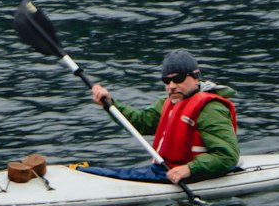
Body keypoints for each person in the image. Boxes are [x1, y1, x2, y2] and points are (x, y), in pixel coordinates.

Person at [90, 49, 238, 183]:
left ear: (195, 77)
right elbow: (141, 123)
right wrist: (110, 104)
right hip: (167, 172)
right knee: (99, 172)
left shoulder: (210, 108)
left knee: (111, 175)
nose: (172, 86)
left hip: (195, 174)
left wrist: (189, 168)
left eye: (178, 79)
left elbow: (227, 156)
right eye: (166, 81)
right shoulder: (169, 102)